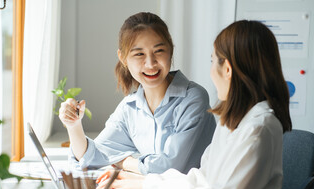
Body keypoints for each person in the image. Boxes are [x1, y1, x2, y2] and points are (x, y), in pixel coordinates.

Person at [96, 20, 292, 189]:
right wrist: (141, 182)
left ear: (226, 69)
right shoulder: (236, 120)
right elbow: (202, 179)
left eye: (211, 61)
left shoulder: (258, 128)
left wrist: (146, 186)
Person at [59, 12, 216, 175]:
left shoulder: (193, 99)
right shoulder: (130, 108)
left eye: (159, 50)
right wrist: (74, 125)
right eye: (139, 54)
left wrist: (125, 162)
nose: (151, 63)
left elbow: (172, 169)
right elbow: (92, 157)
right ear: (123, 58)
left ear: (171, 50)